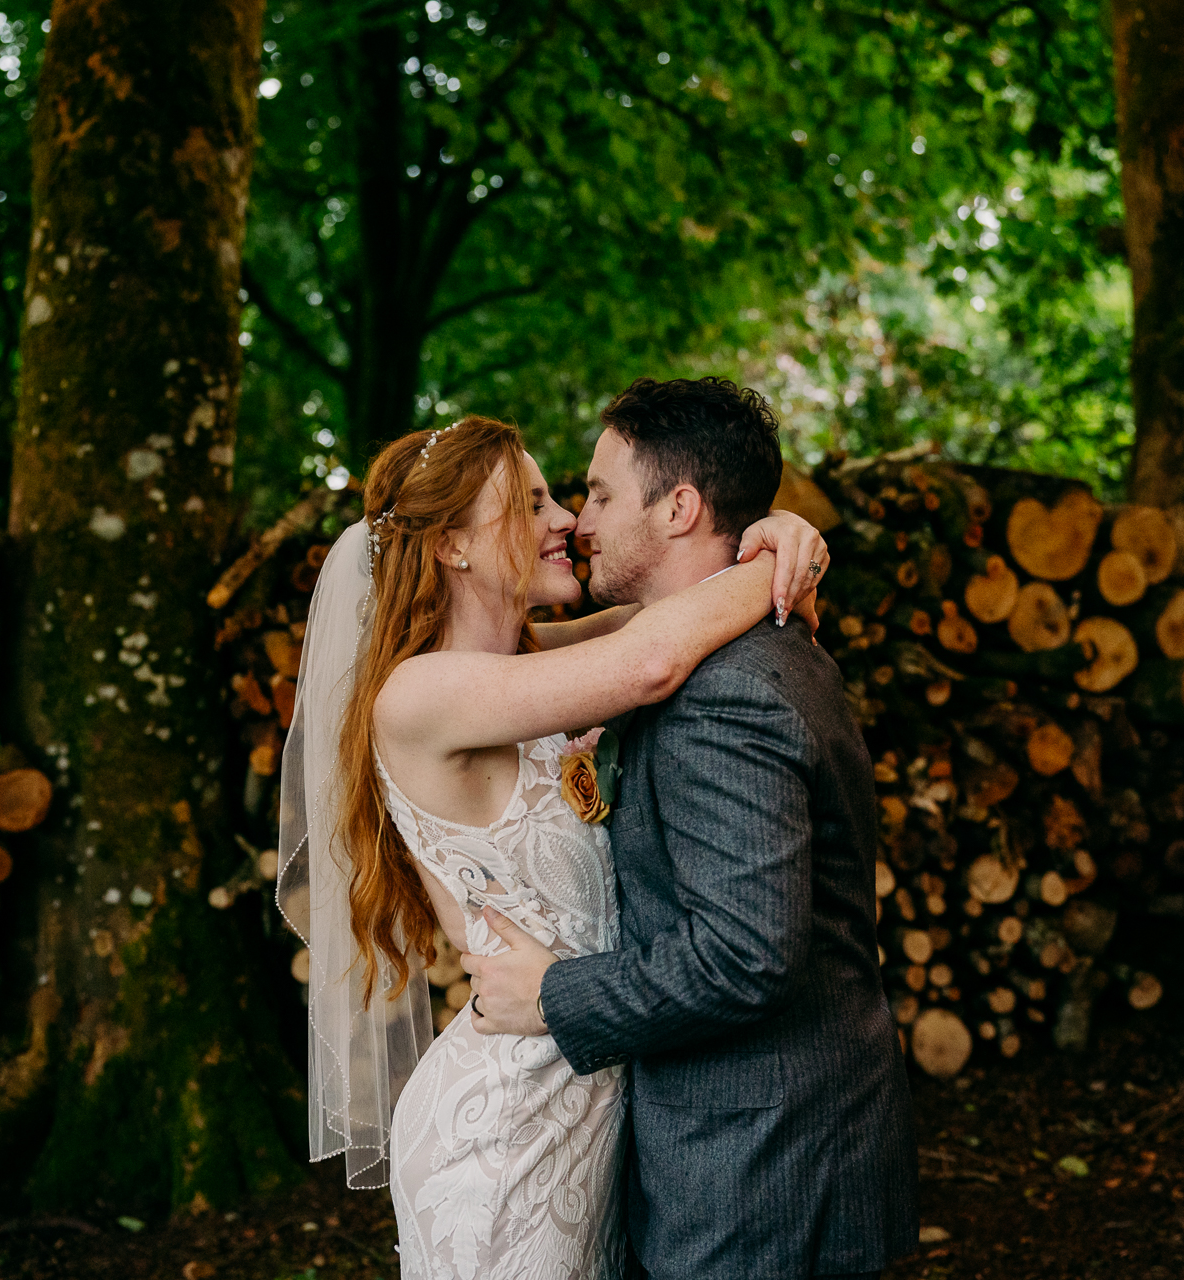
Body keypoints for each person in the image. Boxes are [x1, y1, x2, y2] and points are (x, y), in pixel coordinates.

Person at [275, 411, 832, 1280]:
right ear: (455, 545)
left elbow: (672, 618)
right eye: (530, 502)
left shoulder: (534, 662)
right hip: (503, 1127)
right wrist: (774, 561)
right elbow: (653, 660)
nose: (565, 519)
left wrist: (779, 532)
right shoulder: (417, 695)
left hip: (588, 1088)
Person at [463, 378, 918, 1280]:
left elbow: (746, 954)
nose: (578, 519)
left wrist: (554, 996)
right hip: (754, 1147)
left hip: (761, 1172)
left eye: (596, 492)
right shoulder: (740, 648)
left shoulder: (727, 690)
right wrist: (776, 553)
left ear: (679, 507)